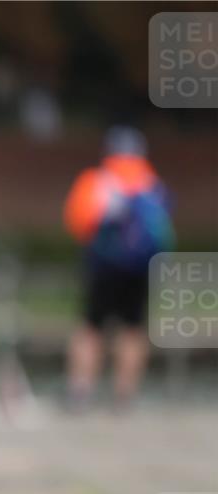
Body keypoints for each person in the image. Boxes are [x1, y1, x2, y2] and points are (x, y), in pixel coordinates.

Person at [63, 126, 173, 410]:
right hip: (139, 268)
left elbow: (77, 223)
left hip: (103, 267)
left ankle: (81, 389)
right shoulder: (152, 184)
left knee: (91, 327)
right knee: (133, 329)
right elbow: (163, 232)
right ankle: (125, 394)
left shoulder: (98, 181)